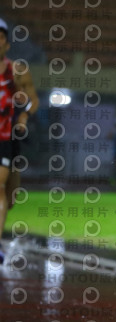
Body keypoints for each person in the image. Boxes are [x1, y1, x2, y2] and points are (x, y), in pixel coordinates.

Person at [0, 18, 37, 264]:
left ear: (7, 44)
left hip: (7, 137)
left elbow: (32, 100)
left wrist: (23, 117)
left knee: (10, 197)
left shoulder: (16, 71)